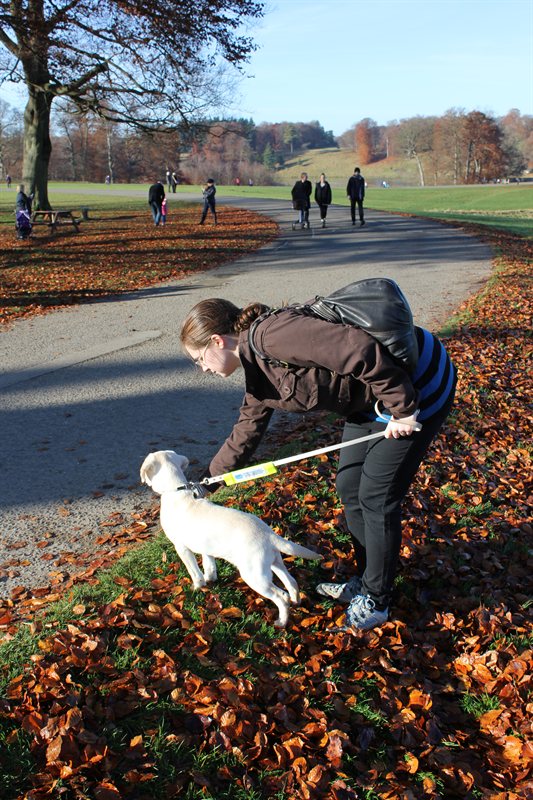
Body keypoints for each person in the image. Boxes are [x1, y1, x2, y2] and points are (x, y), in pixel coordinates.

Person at [180, 296, 456, 631]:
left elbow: (358, 349)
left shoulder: (273, 336)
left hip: (416, 386)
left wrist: (402, 408)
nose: (203, 368)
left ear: (217, 341)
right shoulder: (257, 369)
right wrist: (209, 480)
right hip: (372, 399)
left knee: (376, 496)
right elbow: (247, 429)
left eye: (199, 360)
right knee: (350, 486)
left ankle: (377, 600)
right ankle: (367, 580)